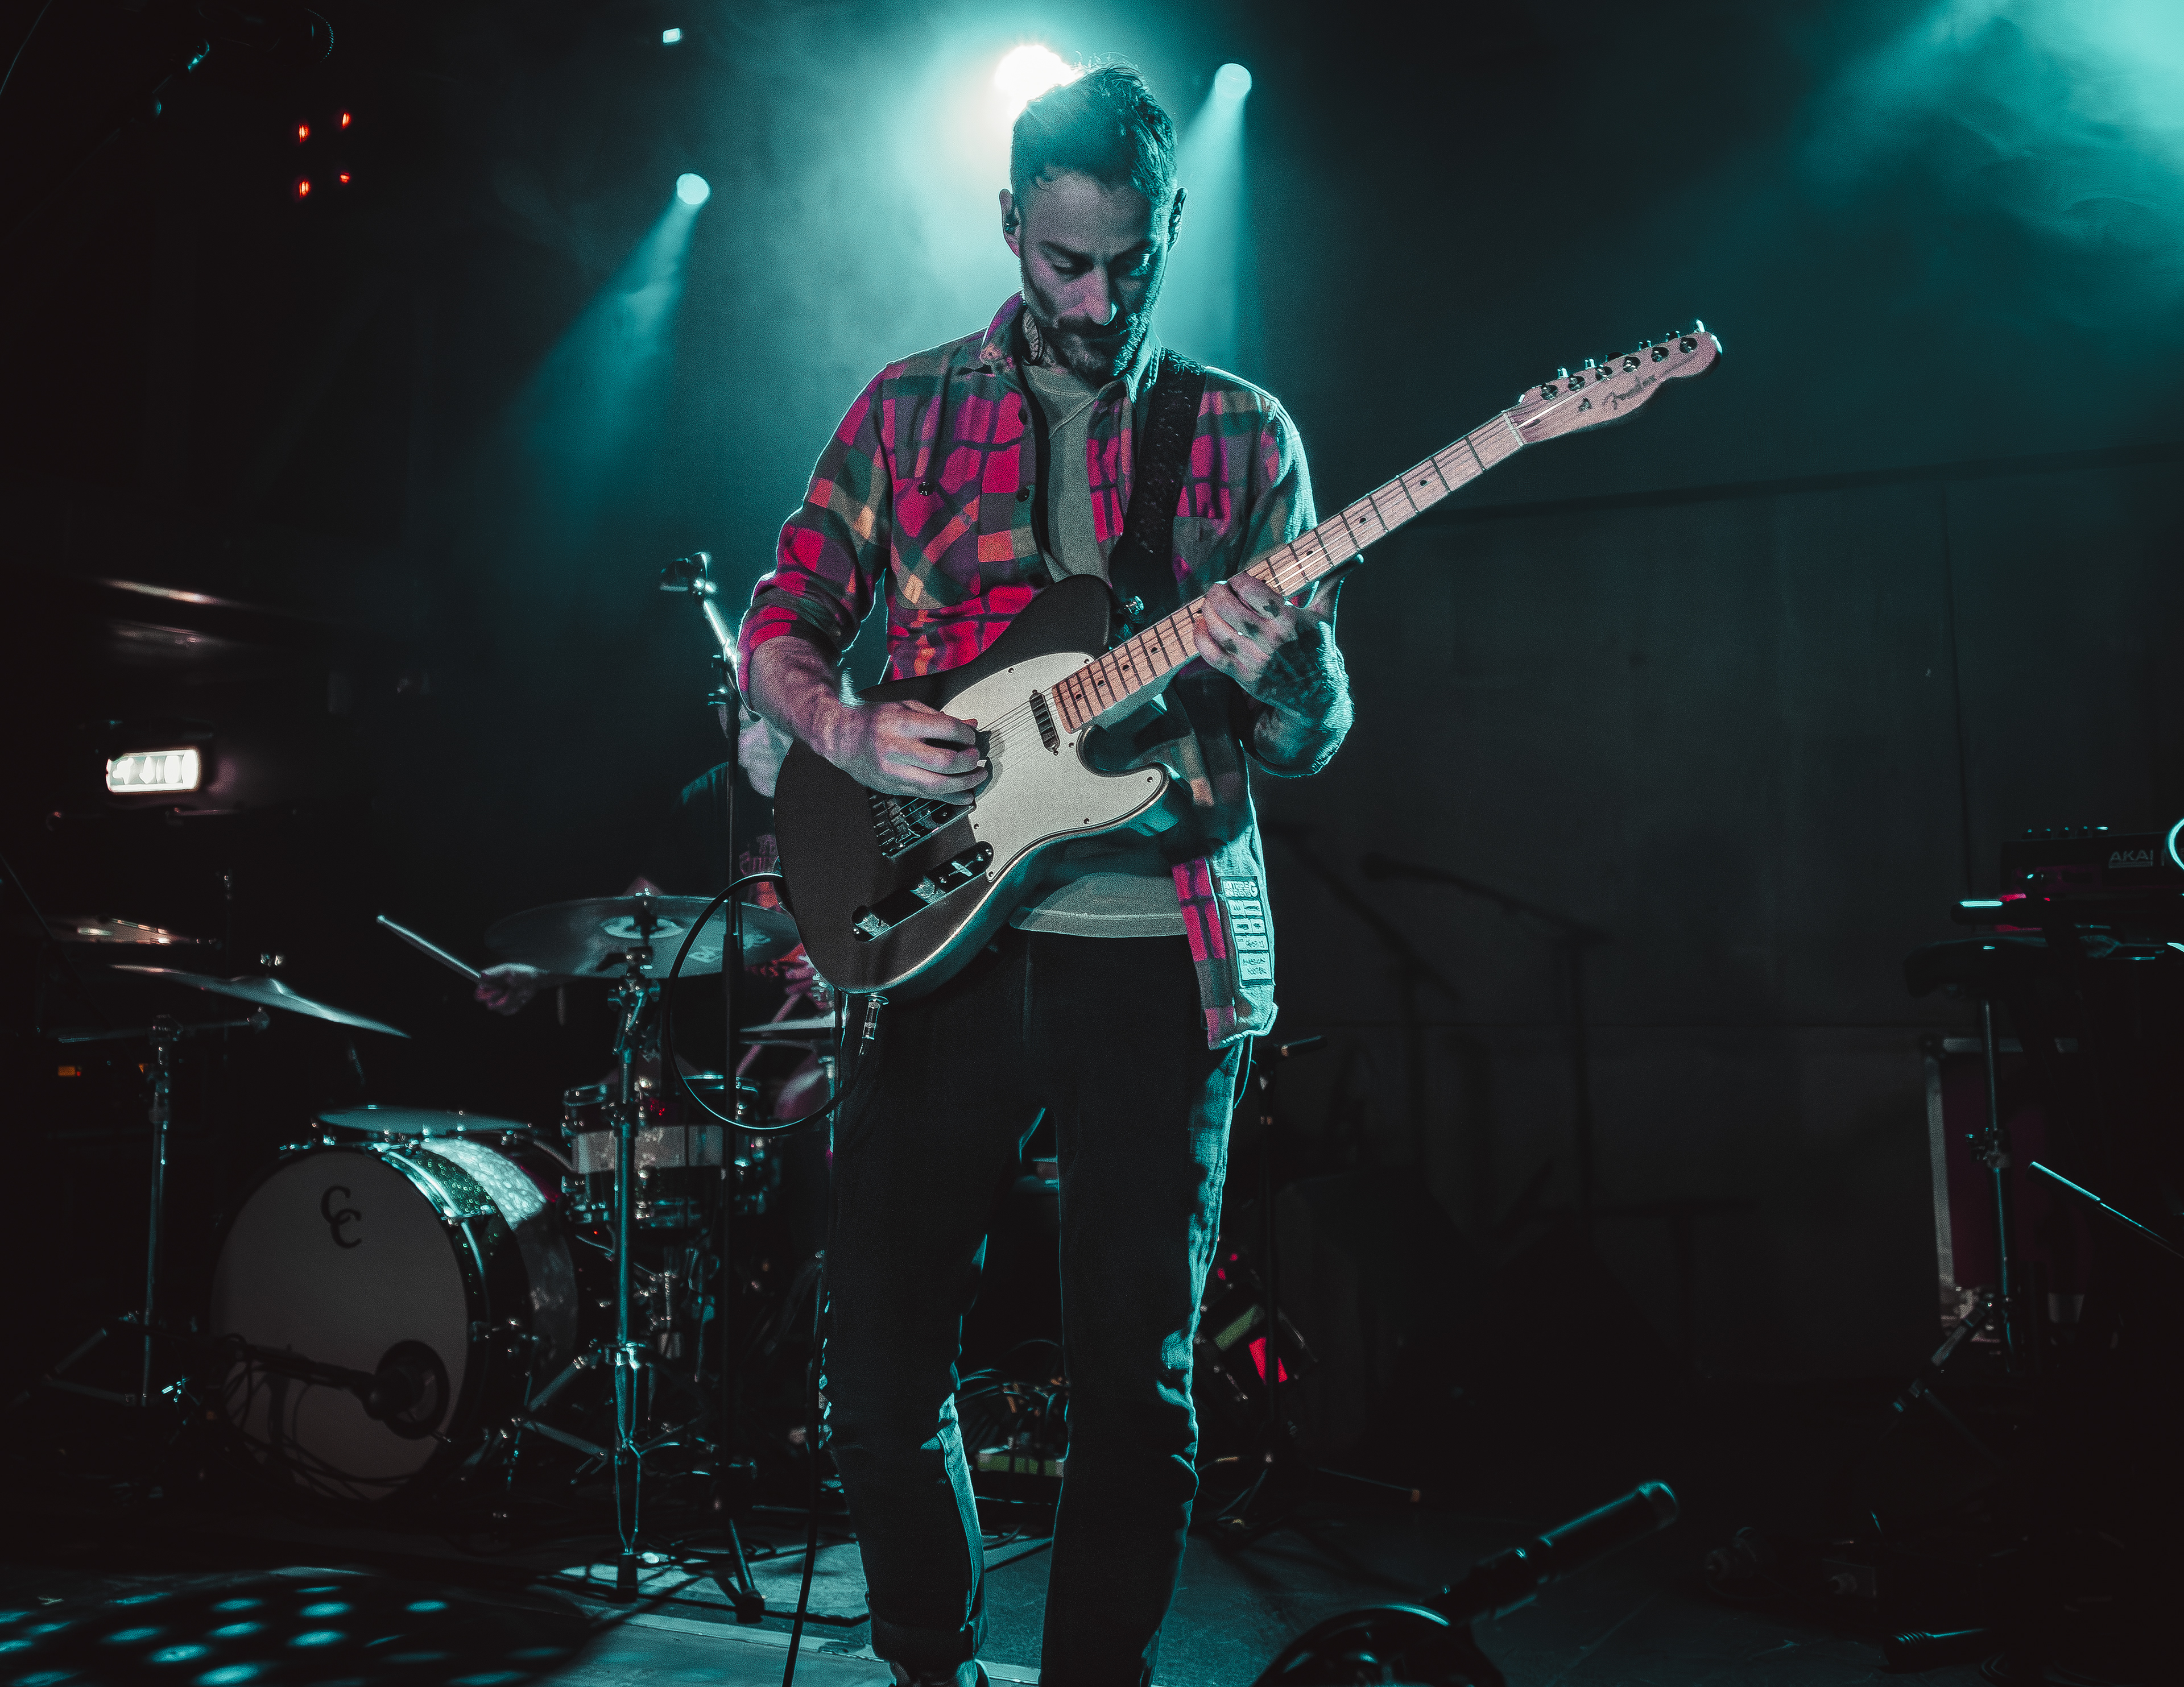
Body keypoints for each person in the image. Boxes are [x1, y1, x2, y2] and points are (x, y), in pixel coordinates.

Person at [736, 64, 1352, 1687]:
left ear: (1170, 229)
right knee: (875, 1380)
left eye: (1128, 265)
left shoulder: (1242, 432)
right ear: (1011, 224)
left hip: (1162, 945)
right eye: (1065, 261)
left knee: (1136, 1389)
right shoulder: (905, 407)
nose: (1096, 300)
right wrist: (847, 731)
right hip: (941, 937)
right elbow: (783, 620)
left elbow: (1313, 735)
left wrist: (1289, 670)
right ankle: (929, 1662)